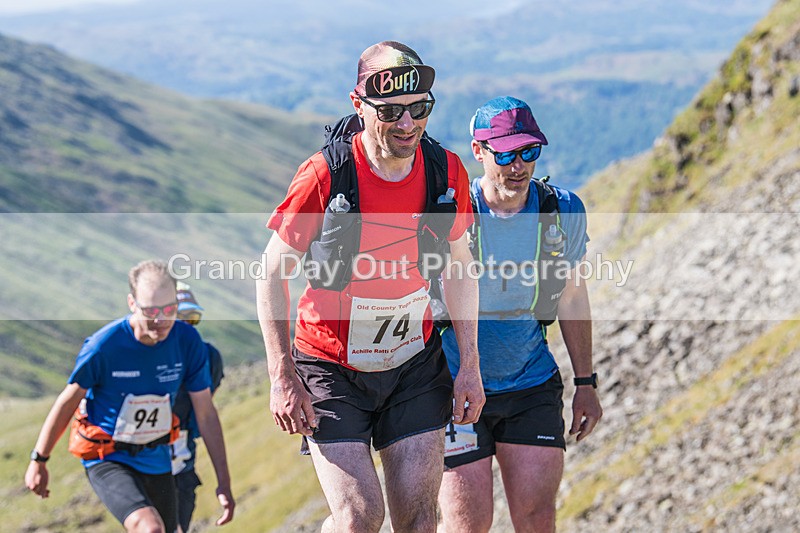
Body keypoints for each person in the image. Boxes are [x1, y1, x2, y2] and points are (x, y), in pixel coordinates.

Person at [256, 41, 485, 533]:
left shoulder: (447, 172)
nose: (408, 124)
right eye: (392, 111)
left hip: (414, 366)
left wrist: (470, 365)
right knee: (360, 517)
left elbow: (460, 268)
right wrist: (281, 374)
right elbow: (272, 272)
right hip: (331, 369)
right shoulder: (325, 175)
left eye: (419, 109)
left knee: (420, 522)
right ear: (359, 105)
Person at [437, 96, 603, 533]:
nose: (518, 166)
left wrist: (585, 383)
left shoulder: (561, 210)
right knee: (466, 524)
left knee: (536, 520)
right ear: (478, 151)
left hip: (530, 386)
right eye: (506, 154)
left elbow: (571, 297)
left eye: (529, 152)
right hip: (454, 389)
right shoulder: (451, 212)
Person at [25, 260, 234, 533]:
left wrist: (224, 482)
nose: (161, 320)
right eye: (151, 311)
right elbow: (68, 401)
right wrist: (39, 460)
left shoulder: (188, 342)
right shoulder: (104, 346)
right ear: (132, 304)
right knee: (149, 528)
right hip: (108, 456)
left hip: (157, 456)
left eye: (170, 310)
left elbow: (205, 413)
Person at [171, 282, 225, 533]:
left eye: (193, 319)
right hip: (144, 460)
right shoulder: (145, 356)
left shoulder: (209, 358)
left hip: (183, 460)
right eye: (180, 319)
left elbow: (204, 411)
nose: (187, 327)